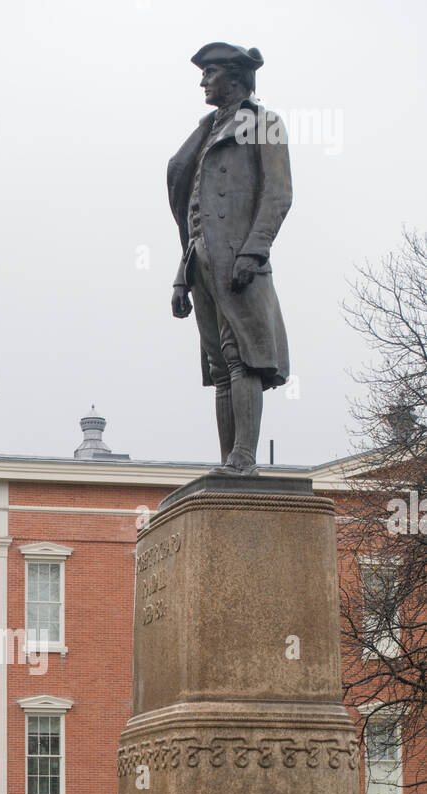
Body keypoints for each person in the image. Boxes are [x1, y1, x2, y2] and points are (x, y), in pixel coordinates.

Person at [168, 43, 292, 475]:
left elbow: (277, 194)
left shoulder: (266, 124)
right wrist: (181, 276)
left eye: (211, 71)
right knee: (220, 367)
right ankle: (229, 462)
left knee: (243, 357)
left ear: (236, 77)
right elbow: (193, 211)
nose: (203, 80)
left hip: (241, 260)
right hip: (202, 262)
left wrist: (254, 250)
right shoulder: (203, 133)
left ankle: (244, 458)